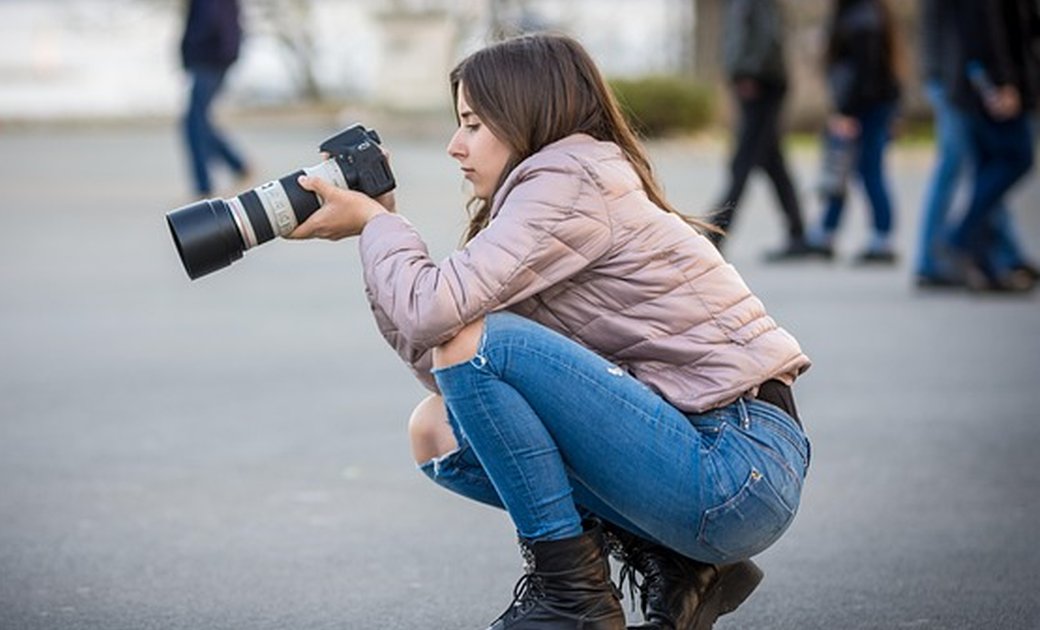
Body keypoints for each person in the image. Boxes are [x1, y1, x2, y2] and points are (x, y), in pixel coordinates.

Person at [288, 33, 812, 630]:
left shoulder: (569, 180)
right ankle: (679, 562)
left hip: (735, 463)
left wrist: (379, 227)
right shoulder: (548, 194)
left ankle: (572, 598)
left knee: (475, 344)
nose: (455, 146)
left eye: (473, 124)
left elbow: (444, 323)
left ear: (526, 116)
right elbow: (444, 362)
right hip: (708, 458)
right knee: (437, 431)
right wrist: (379, 223)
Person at [914, 0, 1038, 290]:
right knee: (1007, 160)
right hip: (970, 80)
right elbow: (983, 27)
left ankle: (990, 261)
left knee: (985, 169)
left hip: (967, 78)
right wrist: (1001, 81)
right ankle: (952, 245)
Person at [710, 0, 810, 261]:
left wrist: (748, 72)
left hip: (759, 83)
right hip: (760, 80)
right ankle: (798, 232)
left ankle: (715, 233)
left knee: (743, 161)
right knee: (772, 162)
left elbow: (765, 34)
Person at [805, 0, 902, 263]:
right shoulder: (861, 13)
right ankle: (827, 231)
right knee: (842, 170)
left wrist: (847, 112)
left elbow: (866, 73)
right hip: (864, 106)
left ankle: (881, 237)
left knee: (866, 171)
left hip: (864, 108)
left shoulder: (863, 18)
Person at [180, 0, 250, 197]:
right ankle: (238, 166)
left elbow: (211, 21)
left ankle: (203, 187)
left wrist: (193, 49)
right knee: (199, 121)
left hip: (210, 59)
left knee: (194, 123)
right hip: (214, 58)